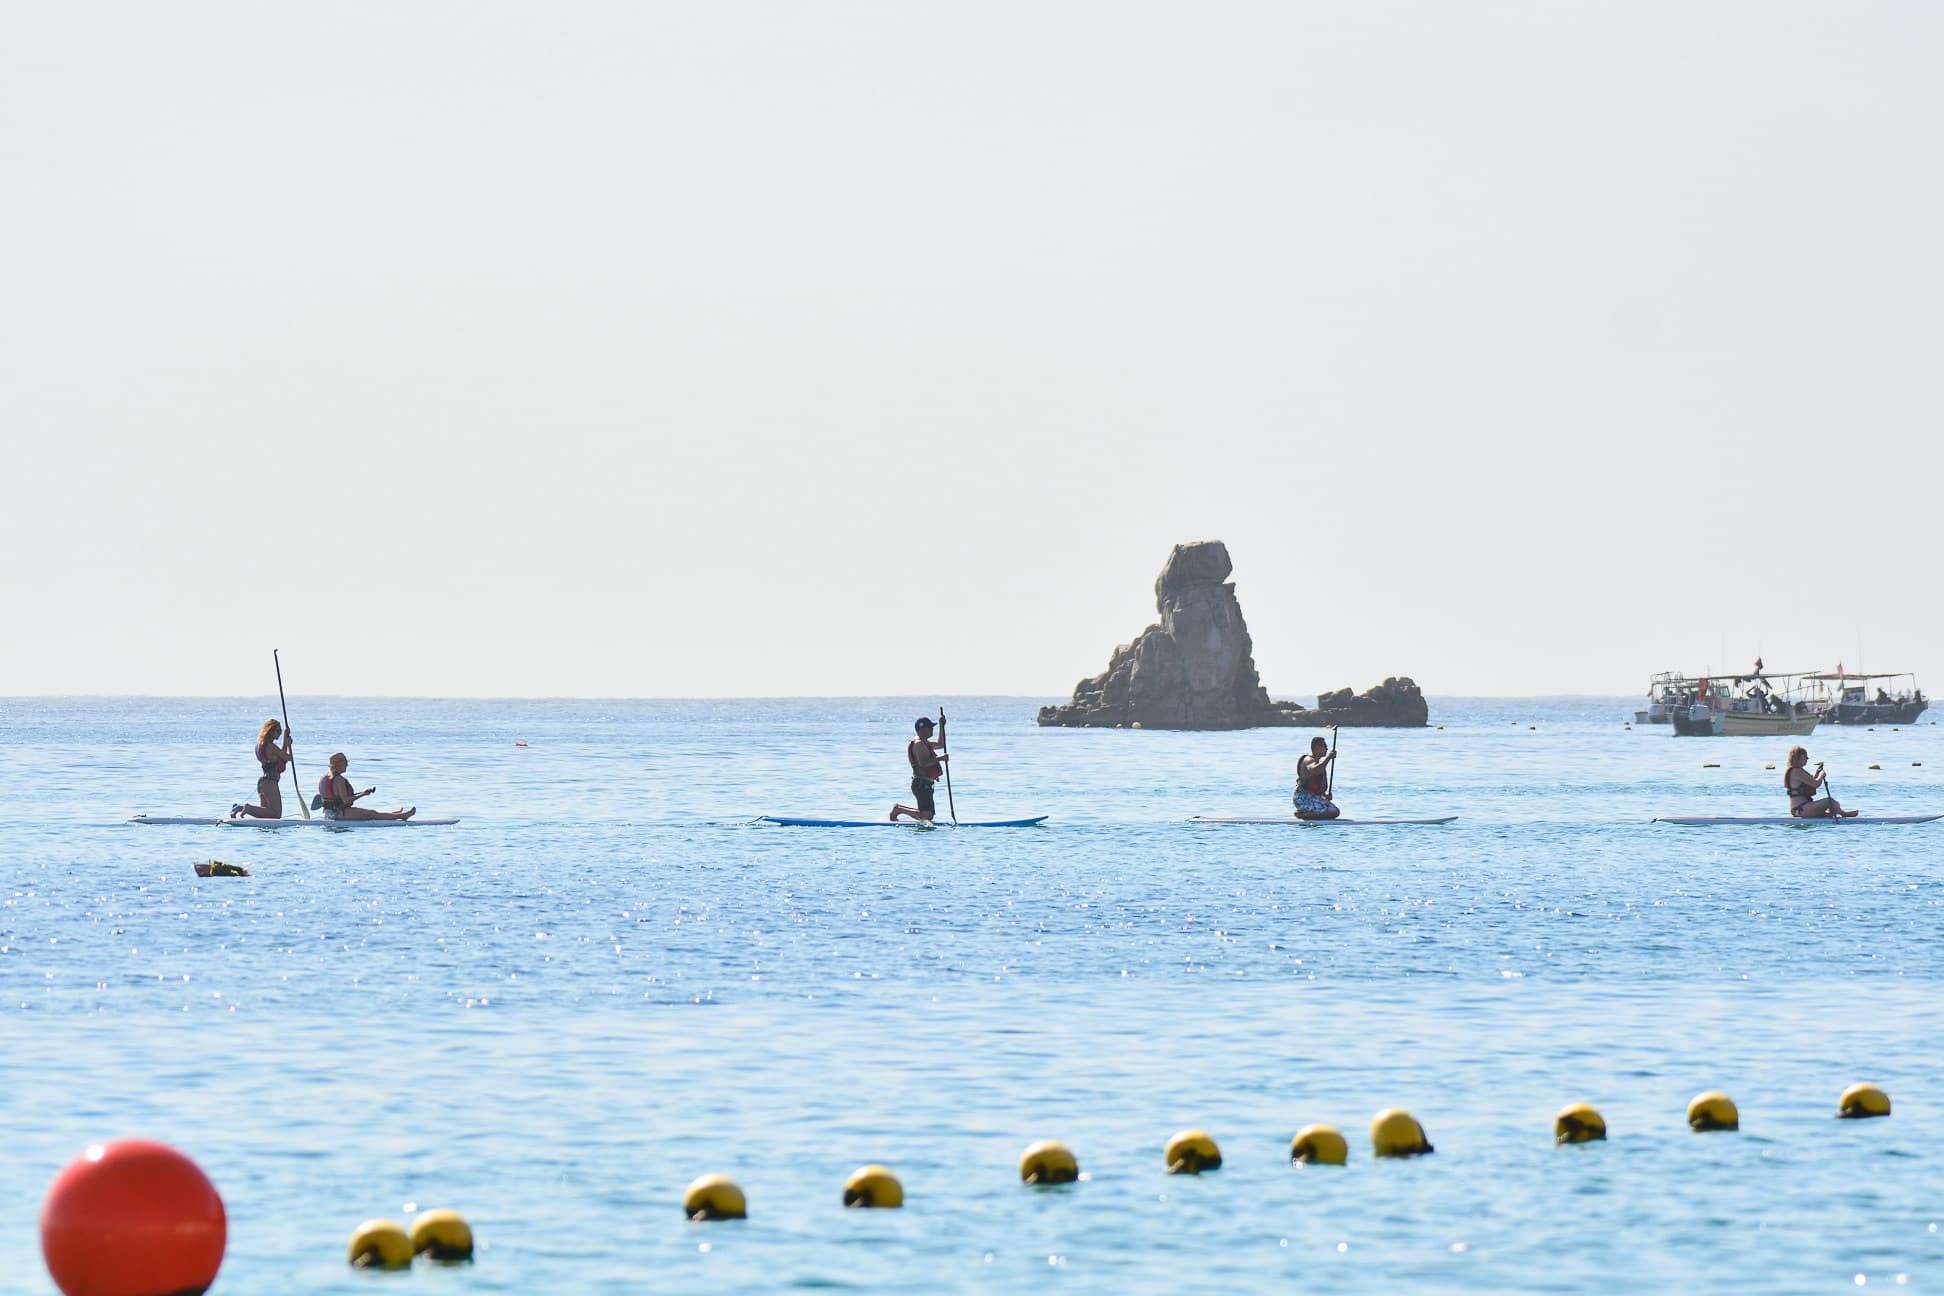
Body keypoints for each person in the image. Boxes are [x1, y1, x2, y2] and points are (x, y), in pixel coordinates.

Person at [315, 752, 415, 821]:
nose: (347, 765)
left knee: (373, 813)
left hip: (329, 814)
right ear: (339, 765)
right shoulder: (339, 780)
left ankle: (393, 815)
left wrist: (363, 792)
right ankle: (402, 816)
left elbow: (336, 798)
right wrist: (362, 794)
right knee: (371, 814)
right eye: (345, 763)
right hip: (339, 814)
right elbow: (345, 801)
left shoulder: (324, 777)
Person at [889, 716, 948, 823]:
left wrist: (942, 726)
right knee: (926, 816)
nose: (931, 730)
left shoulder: (925, 742)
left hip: (925, 783)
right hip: (921, 783)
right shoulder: (919, 744)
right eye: (929, 727)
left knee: (928, 815)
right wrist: (941, 758)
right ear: (921, 730)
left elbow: (941, 744)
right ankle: (899, 809)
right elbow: (923, 763)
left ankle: (899, 809)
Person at [233, 719, 293, 819]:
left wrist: (285, 741)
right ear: (271, 731)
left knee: (266, 815)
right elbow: (288, 757)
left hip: (263, 783)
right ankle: (248, 808)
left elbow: (281, 757)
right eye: (278, 731)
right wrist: (289, 744)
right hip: (270, 783)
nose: (280, 733)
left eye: (281, 731)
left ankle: (239, 808)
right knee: (276, 815)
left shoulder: (261, 745)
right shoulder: (271, 747)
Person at [1785, 746, 1856, 818]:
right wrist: (1822, 775)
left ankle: (1836, 813)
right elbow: (1816, 784)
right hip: (1801, 809)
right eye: (1805, 757)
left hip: (1802, 809)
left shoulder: (1797, 771)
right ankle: (1844, 814)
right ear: (1797, 758)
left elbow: (1811, 783)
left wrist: (1817, 773)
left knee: (1834, 806)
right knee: (1830, 802)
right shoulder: (1796, 771)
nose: (1807, 759)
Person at [1294, 733, 1339, 820]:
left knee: (1335, 811)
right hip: (1303, 799)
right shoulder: (1308, 760)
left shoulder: (1317, 761)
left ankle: (1307, 813)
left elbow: (1314, 785)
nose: (1327, 749)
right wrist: (1329, 758)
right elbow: (1315, 770)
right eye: (1324, 746)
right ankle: (1303, 814)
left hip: (1312, 797)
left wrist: (1325, 795)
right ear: (1317, 747)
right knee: (1334, 812)